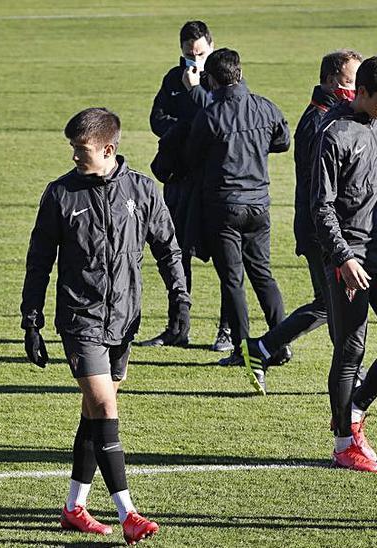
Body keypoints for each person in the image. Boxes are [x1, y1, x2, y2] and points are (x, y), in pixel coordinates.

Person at [22, 108, 183, 544]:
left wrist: (180, 299)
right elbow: (39, 261)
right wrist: (31, 321)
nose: (75, 156)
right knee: (106, 411)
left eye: (82, 149)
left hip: (124, 320)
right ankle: (128, 513)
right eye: (73, 148)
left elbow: (167, 248)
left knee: (93, 414)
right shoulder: (60, 195)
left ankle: (75, 506)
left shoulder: (143, 191)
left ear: (108, 149)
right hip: (81, 320)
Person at [244, 49, 377, 397]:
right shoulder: (323, 123)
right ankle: (353, 374)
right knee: (335, 305)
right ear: (334, 81)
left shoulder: (346, 118)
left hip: (337, 232)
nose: (356, 86)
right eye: (351, 80)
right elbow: (321, 192)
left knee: (328, 305)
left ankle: (263, 348)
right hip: (324, 232)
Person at [310, 55, 377, 471]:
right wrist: (343, 258)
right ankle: (344, 443)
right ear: (362, 92)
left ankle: (355, 408)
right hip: (349, 262)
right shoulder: (333, 134)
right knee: (351, 348)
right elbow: (322, 208)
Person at [183, 48, 290, 380]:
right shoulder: (264, 106)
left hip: (225, 205)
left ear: (212, 79)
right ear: (239, 73)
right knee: (263, 274)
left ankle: (245, 350)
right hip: (259, 203)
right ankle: (282, 340)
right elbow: (283, 141)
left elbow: (191, 156)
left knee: (233, 279)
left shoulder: (211, 115)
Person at [138, 20, 226, 350]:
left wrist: (195, 92)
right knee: (175, 256)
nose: (194, 60)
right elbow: (156, 119)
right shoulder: (172, 79)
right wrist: (184, 129)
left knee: (224, 259)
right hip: (179, 182)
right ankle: (179, 328)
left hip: (214, 184)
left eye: (200, 53)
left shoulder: (221, 78)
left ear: (211, 48)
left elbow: (222, 120)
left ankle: (226, 331)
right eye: (189, 54)